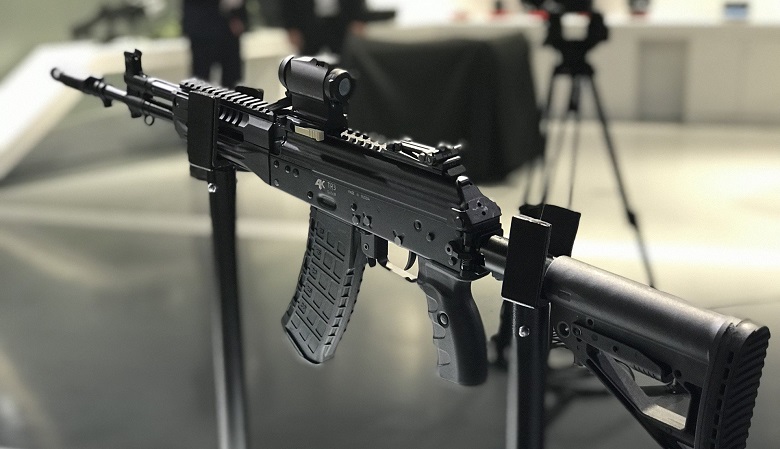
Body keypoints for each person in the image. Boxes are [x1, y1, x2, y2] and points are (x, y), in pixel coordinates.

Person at [182, 0, 249, 88]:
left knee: (233, 80)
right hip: (202, 27)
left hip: (230, 28)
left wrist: (237, 16)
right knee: (200, 81)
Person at [281, 0, 367, 56]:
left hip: (342, 23)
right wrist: (291, 27)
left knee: (345, 62)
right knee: (308, 63)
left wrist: (358, 18)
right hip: (308, 23)